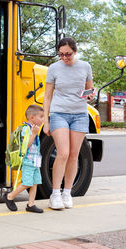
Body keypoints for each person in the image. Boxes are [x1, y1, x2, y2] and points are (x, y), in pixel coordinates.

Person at [43, 37, 95, 210]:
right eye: (61, 54)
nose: (64, 57)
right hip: (59, 113)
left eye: (68, 54)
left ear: (75, 51)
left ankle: (67, 192)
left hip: (80, 114)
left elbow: (90, 90)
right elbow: (48, 96)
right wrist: (46, 121)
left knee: (74, 154)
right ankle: (55, 194)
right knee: (63, 153)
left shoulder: (85, 66)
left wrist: (90, 95)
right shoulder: (54, 68)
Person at [4, 105, 44, 213]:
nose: (43, 119)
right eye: (41, 117)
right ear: (32, 117)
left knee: (35, 182)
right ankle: (10, 196)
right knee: (27, 183)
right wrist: (34, 134)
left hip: (35, 161)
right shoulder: (26, 129)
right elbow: (25, 146)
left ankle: (31, 204)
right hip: (28, 161)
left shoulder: (34, 129)